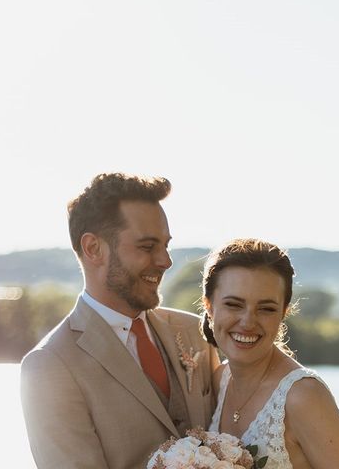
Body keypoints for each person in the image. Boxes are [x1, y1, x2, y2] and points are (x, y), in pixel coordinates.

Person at [20, 173, 219, 469]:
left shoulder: (194, 332)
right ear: (93, 249)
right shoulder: (50, 366)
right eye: (147, 246)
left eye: (165, 245)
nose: (165, 260)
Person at [203, 239, 339, 469]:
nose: (248, 322)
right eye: (234, 304)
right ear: (209, 306)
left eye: (266, 309)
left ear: (283, 313)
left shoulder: (303, 396)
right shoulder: (219, 379)